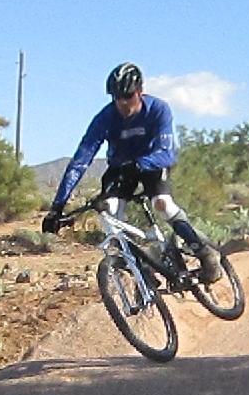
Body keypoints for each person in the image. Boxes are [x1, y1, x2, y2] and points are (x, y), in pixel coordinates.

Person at [41, 62, 223, 283]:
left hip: (153, 164)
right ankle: (143, 268)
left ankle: (204, 252)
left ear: (140, 92)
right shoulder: (105, 118)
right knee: (109, 211)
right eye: (116, 97)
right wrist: (57, 207)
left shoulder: (158, 109)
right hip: (120, 169)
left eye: (127, 96)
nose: (122, 103)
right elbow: (80, 161)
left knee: (162, 204)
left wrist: (141, 163)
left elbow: (168, 153)